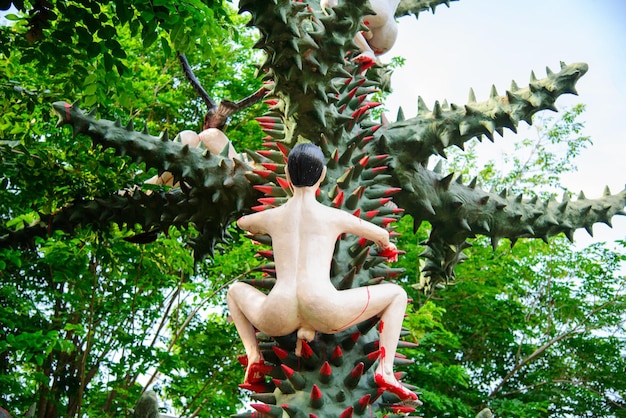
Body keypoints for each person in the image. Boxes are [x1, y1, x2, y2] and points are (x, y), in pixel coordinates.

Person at [227, 143, 418, 401]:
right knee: (396, 294)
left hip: (277, 313)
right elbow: (381, 234)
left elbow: (243, 223)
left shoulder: (272, 217)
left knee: (235, 291)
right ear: (323, 175)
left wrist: (256, 230)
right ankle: (386, 370)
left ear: (286, 173)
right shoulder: (331, 216)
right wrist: (388, 247)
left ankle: (253, 356)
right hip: (324, 307)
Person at [321, 0, 400, 64]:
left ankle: (366, 50)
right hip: (388, 29)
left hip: (373, 7)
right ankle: (365, 49)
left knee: (328, 3)